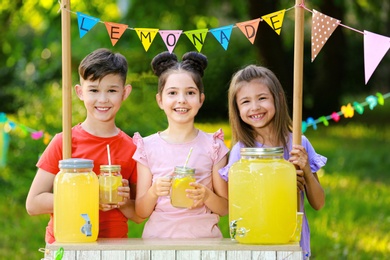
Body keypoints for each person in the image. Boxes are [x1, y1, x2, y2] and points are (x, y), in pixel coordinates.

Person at [26, 48, 144, 244]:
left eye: (112, 90)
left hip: (113, 247)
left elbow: (139, 215)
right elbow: (33, 204)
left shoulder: (133, 148)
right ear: (80, 92)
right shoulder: (64, 142)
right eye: (94, 90)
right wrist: (88, 198)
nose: (103, 99)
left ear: (125, 93)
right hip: (66, 244)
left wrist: (123, 202)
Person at [219, 64, 326, 259]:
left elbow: (318, 203)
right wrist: (280, 187)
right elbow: (237, 206)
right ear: (237, 108)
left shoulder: (298, 143)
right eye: (245, 101)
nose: (255, 107)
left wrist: (306, 172)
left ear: (277, 98)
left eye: (262, 98)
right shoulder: (241, 153)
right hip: (254, 245)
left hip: (293, 243)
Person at [133, 51, 229, 238]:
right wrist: (153, 192)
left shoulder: (213, 145)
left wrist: (207, 196)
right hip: (159, 243)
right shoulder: (147, 146)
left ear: (201, 99)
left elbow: (225, 207)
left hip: (205, 244)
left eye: (190, 93)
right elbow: (140, 211)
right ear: (160, 100)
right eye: (172, 93)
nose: (182, 100)